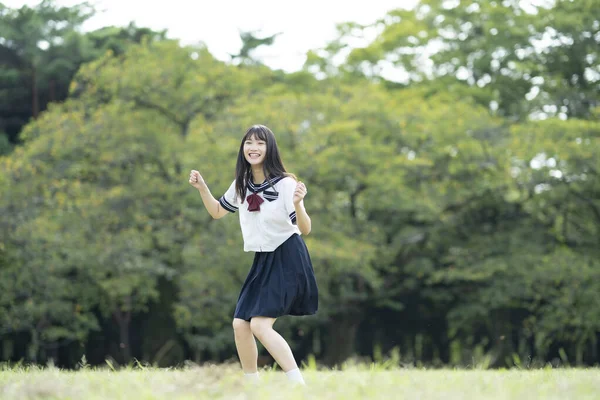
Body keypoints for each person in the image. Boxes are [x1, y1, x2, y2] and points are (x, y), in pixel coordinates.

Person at [188, 124, 318, 385]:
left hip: (288, 256)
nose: (253, 148)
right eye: (249, 142)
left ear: (269, 149)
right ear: (243, 148)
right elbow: (216, 211)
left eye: (260, 143)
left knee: (259, 325)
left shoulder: (285, 184)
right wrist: (202, 187)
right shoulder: (241, 185)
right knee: (240, 324)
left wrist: (298, 204)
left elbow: (305, 228)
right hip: (263, 259)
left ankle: (299, 386)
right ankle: (252, 387)